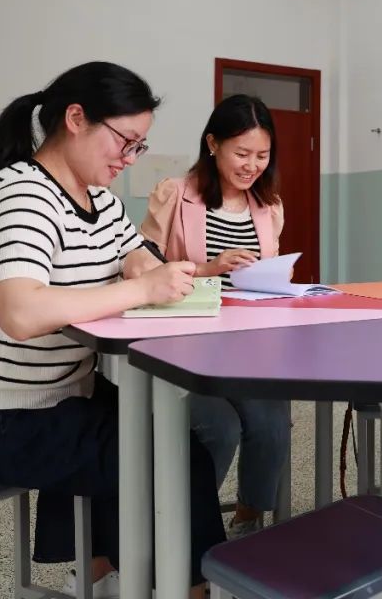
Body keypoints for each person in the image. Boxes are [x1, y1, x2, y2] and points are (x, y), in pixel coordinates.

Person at [0, 62, 226, 599]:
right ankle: (184, 586)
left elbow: (133, 254)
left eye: (139, 146)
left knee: (162, 426)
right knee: (176, 457)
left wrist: (148, 268)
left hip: (62, 397)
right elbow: (21, 313)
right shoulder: (22, 194)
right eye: (125, 141)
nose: (129, 158)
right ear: (75, 119)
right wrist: (143, 288)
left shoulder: (100, 199)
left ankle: (108, 570)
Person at [138, 94, 290, 537]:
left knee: (271, 422)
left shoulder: (269, 206)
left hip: (245, 345)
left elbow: (265, 272)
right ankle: (188, 527)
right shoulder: (174, 194)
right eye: (242, 153)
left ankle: (247, 520)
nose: (252, 165)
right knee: (219, 427)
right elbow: (142, 268)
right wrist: (208, 269)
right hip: (182, 345)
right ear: (212, 144)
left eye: (262, 155)